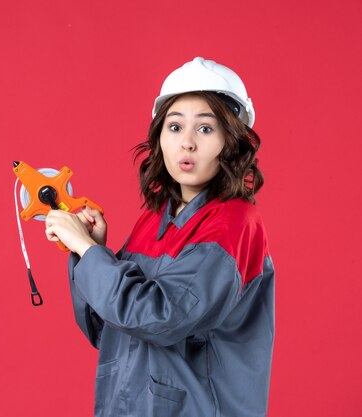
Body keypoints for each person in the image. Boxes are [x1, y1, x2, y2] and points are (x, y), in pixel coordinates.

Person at [45, 57, 275, 417]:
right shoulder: (154, 219)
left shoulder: (233, 223)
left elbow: (161, 317)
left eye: (205, 129)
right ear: (158, 139)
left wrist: (88, 251)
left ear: (232, 141)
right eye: (174, 127)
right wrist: (94, 250)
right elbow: (105, 327)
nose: (187, 143)